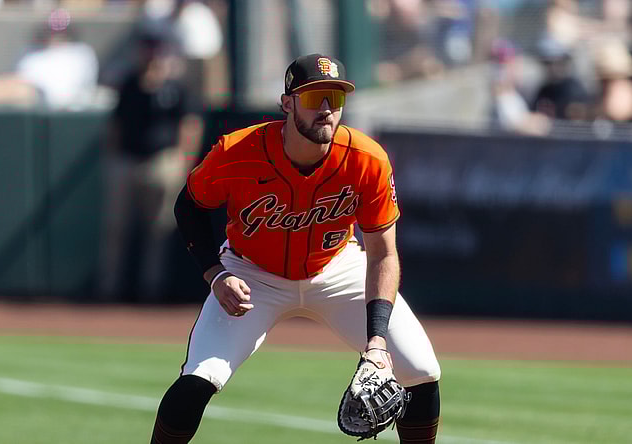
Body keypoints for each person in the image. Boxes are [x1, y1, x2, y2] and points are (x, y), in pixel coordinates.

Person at [149, 54, 442, 443]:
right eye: (313, 97)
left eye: (334, 99)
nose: (325, 109)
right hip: (252, 274)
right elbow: (188, 206)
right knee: (198, 380)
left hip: (337, 270)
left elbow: (383, 253)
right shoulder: (238, 151)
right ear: (287, 103)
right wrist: (215, 274)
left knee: (421, 372)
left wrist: (376, 340)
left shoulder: (366, 160)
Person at [99, 26, 203, 303]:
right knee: (116, 227)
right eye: (148, 48)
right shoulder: (130, 83)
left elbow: (190, 125)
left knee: (159, 229)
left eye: (157, 49)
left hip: (163, 161)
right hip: (127, 160)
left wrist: (183, 162)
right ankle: (110, 288)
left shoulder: (176, 87)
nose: (152, 55)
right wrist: (112, 156)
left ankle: (151, 289)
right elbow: (116, 125)